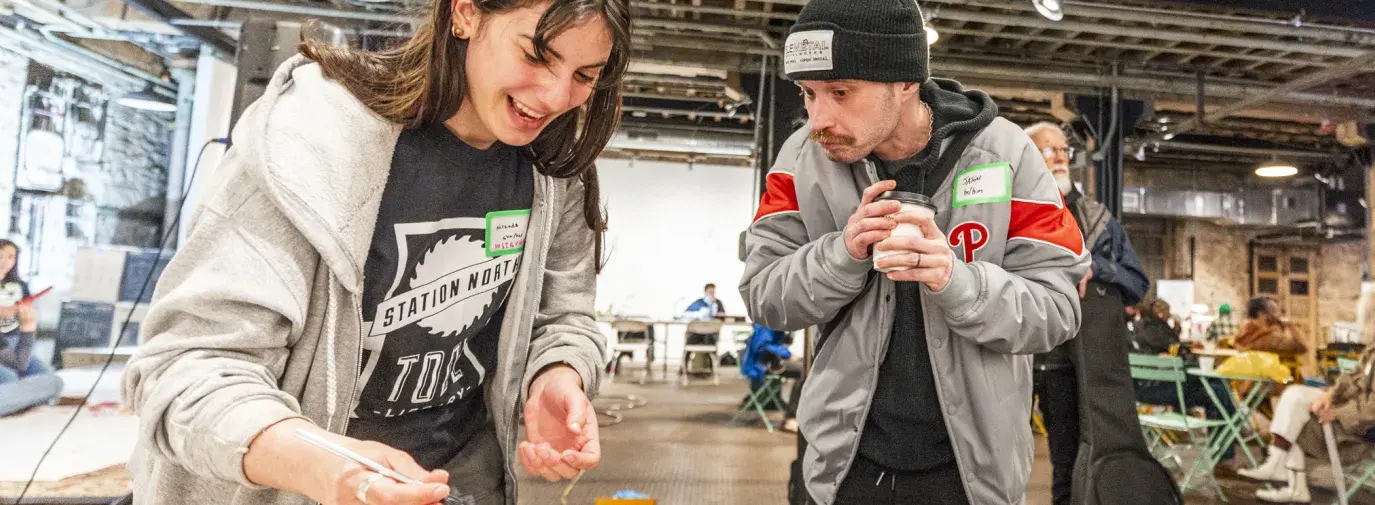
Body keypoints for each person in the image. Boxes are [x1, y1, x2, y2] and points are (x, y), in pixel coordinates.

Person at [120, 0, 630, 504]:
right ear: (466, 13)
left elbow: (562, 317)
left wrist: (555, 374)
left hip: (457, 484)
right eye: (536, 56)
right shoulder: (312, 136)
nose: (557, 94)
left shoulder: (555, 168)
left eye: (585, 76)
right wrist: (326, 469)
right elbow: (189, 369)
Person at [739, 1, 1089, 503]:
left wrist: (956, 279)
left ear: (906, 81)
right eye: (808, 94)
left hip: (972, 473)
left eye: (841, 93)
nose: (819, 119)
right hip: (842, 467)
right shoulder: (801, 159)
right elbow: (763, 294)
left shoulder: (1009, 156)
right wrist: (843, 253)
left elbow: (1056, 310)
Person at [1025, 122, 1149, 505]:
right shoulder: (1008, 211)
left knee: (1069, 462)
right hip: (1012, 354)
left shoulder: (1096, 219)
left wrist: (1095, 267)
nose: (1060, 158)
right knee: (994, 458)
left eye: (1064, 150)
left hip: (1069, 363)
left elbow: (1137, 282)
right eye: (1049, 151)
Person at [1237, 344, 1375, 503]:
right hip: (1351, 407)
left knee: (1297, 419)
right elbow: (1351, 377)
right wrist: (1329, 395)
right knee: (1294, 394)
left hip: (1364, 428)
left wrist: (1338, 413)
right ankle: (1278, 463)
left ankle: (1293, 484)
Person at [0, 240, 61, 417]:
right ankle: (17, 399)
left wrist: (27, 326)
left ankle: (15, 399)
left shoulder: (20, 286)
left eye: (11, 257)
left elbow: (19, 363)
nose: (5, 263)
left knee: (51, 380)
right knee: (11, 380)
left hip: (10, 344)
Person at [1235, 296, 1309, 355]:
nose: (1279, 315)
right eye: (1274, 311)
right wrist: (1291, 325)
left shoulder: (1242, 334)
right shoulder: (1272, 339)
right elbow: (1302, 348)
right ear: (1261, 314)